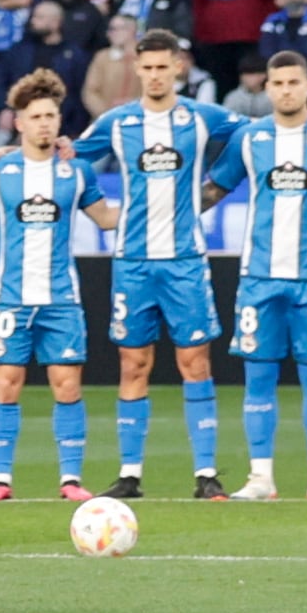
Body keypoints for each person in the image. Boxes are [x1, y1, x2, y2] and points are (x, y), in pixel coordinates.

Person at [72, 32, 234, 500]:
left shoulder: (203, 118)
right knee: (134, 364)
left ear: (178, 67)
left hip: (184, 260)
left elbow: (257, 136)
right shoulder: (117, 123)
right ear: (138, 69)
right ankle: (130, 474)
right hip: (133, 261)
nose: (157, 75)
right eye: (149, 68)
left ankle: (206, 474)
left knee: (194, 361)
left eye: (165, 67)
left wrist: (216, 187)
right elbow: (68, 155)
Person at [225, 49, 307, 502]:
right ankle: (260, 478)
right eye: (277, 83)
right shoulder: (248, 139)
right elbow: (212, 187)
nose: (285, 90)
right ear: (267, 88)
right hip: (259, 278)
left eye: (293, 82)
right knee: (258, 379)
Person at [0, 68, 96, 503]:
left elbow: (109, 219)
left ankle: (71, 481)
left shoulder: (77, 172)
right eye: (36, 116)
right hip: (10, 298)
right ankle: (0, 480)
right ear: (19, 122)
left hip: (62, 298)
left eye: (51, 115)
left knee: (67, 386)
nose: (45, 122)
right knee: (5, 385)